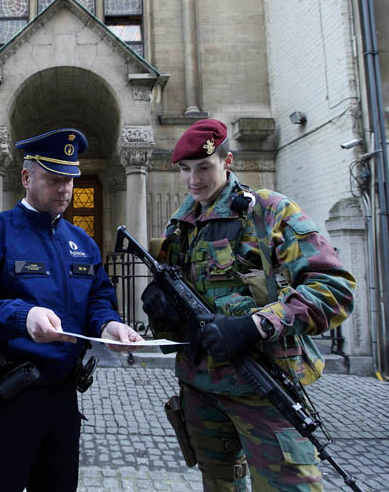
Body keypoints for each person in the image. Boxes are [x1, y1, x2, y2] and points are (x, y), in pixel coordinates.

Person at [143, 119, 355, 492]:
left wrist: (255, 326)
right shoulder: (181, 226)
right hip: (201, 387)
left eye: (204, 168)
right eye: (185, 170)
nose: (194, 181)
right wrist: (162, 308)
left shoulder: (268, 212)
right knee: (220, 485)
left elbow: (334, 289)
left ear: (228, 161)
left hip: (263, 387)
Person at [0, 128, 143, 492]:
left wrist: (108, 325)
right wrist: (21, 317)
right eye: (54, 180)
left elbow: (98, 296)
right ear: (26, 177)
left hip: (63, 401)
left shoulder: (81, 242)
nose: (65, 189)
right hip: (10, 397)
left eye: (69, 180)